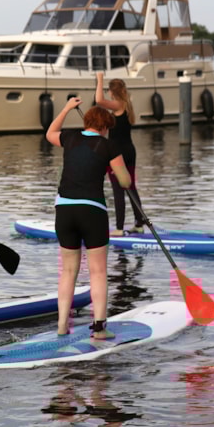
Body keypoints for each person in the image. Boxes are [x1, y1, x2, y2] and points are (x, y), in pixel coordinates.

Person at [46, 98, 131, 339]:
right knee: (98, 271)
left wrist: (66, 109)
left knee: (68, 270)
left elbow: (50, 133)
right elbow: (125, 182)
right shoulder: (108, 146)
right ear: (104, 127)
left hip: (64, 210)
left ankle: (62, 324)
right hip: (92, 211)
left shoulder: (70, 138)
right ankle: (100, 328)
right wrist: (113, 169)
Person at [95, 71, 144, 236]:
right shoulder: (126, 105)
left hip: (117, 155)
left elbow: (99, 100)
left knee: (118, 190)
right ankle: (139, 224)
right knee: (130, 187)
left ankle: (119, 228)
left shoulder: (118, 105)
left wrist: (100, 79)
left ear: (112, 92)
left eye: (109, 90)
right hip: (130, 151)